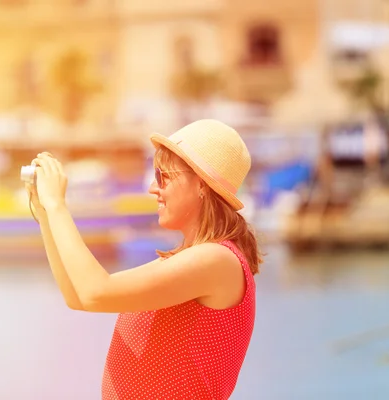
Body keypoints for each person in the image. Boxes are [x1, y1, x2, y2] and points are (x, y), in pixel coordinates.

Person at [26, 119, 262, 400]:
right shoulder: (188, 259)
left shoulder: (215, 260)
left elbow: (96, 292)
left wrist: (58, 205)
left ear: (201, 184)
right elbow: (78, 297)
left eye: (164, 176)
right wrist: (45, 215)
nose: (153, 187)